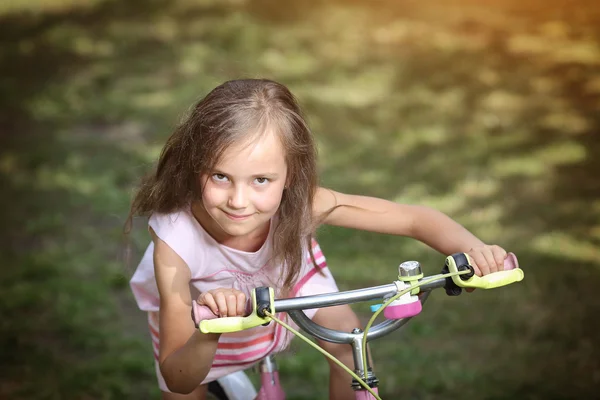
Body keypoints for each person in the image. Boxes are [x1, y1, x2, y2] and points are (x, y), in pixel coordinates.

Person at [126, 78, 509, 400]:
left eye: (261, 180)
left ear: (291, 175)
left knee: (349, 341)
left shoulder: (301, 205)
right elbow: (178, 374)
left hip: (288, 277)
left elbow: (414, 219)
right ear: (195, 166)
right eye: (220, 176)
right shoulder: (176, 241)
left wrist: (474, 252)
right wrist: (211, 331)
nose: (239, 202)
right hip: (203, 311)